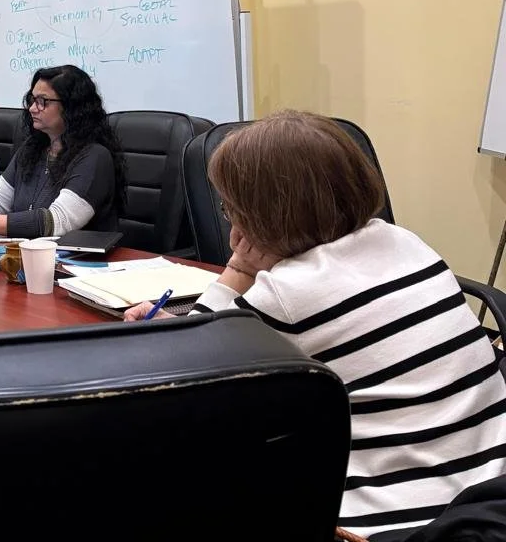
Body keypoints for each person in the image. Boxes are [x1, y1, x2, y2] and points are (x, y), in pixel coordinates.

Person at [123, 111, 506, 538]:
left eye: (230, 206)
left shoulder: (290, 293)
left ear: (261, 212)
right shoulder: (402, 241)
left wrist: (237, 269)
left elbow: (185, 372)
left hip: (397, 520)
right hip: (488, 482)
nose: (229, 216)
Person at [0, 65, 124, 237]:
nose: (33, 108)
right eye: (33, 100)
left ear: (72, 107)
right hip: (28, 256)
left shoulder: (94, 157)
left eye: (43, 101)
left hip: (80, 268)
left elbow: (57, 221)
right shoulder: (33, 149)